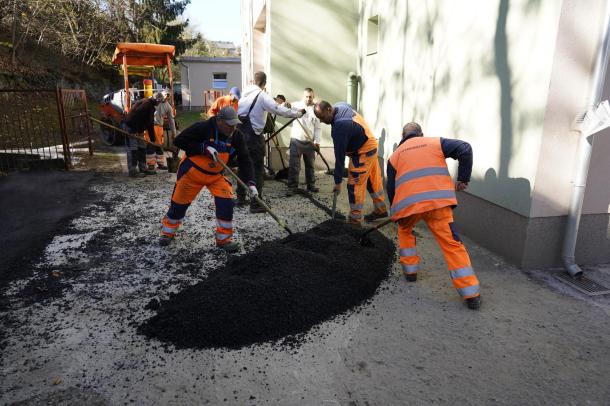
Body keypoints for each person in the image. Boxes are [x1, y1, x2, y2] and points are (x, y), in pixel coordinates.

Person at [386, 122, 481, 310]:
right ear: (421, 133)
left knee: (404, 230)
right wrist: (463, 178)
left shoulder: (394, 156)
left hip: (409, 206)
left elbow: (391, 187)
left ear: (402, 136)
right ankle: (471, 295)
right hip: (438, 204)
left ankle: (410, 272)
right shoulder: (434, 143)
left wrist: (395, 211)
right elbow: (465, 148)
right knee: (451, 244)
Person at [158, 106, 257, 252]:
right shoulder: (203, 128)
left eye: (234, 124)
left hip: (215, 176)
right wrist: (202, 148)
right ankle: (167, 232)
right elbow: (179, 141)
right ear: (219, 121)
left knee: (226, 202)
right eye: (229, 125)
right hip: (192, 173)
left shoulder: (237, 136)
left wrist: (251, 183)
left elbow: (245, 160)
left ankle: (224, 240)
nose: (232, 128)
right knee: (179, 205)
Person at [236, 71, 304, 212]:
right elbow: (278, 110)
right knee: (257, 169)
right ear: (263, 84)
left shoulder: (244, 95)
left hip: (240, 135)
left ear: (253, 81)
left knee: (243, 166)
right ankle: (256, 204)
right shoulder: (261, 96)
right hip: (253, 137)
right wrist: (298, 113)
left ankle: (240, 198)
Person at [314, 100, 388, 224]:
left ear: (329, 110)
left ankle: (355, 220)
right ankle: (381, 210)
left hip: (362, 152)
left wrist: (338, 182)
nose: (321, 121)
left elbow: (340, 157)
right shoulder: (339, 105)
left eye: (322, 117)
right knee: (371, 181)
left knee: (355, 185)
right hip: (370, 144)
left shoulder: (340, 126)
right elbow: (349, 107)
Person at [287, 88, 321, 195]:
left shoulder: (316, 110)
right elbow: (285, 107)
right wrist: (286, 105)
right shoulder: (296, 105)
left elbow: (318, 128)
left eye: (310, 96)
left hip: (309, 142)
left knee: (310, 165)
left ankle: (311, 186)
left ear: (313, 97)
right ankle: (292, 187)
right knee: (294, 165)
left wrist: (317, 142)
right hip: (296, 140)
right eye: (306, 96)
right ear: (303, 96)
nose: (308, 99)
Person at [122, 92, 163, 177]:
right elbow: (135, 116)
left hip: (138, 128)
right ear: (156, 100)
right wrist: (134, 130)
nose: (159, 103)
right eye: (159, 102)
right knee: (133, 149)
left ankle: (143, 168)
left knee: (142, 147)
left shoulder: (150, 106)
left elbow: (150, 124)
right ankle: (133, 171)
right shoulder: (146, 104)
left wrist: (152, 139)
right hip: (131, 127)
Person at [152, 90, 177, 170]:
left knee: (160, 145)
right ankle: (151, 165)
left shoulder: (168, 106)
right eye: (165, 96)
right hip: (150, 126)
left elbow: (171, 120)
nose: (166, 98)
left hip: (159, 127)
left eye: (168, 97)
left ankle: (160, 164)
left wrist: (174, 133)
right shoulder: (153, 102)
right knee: (150, 145)